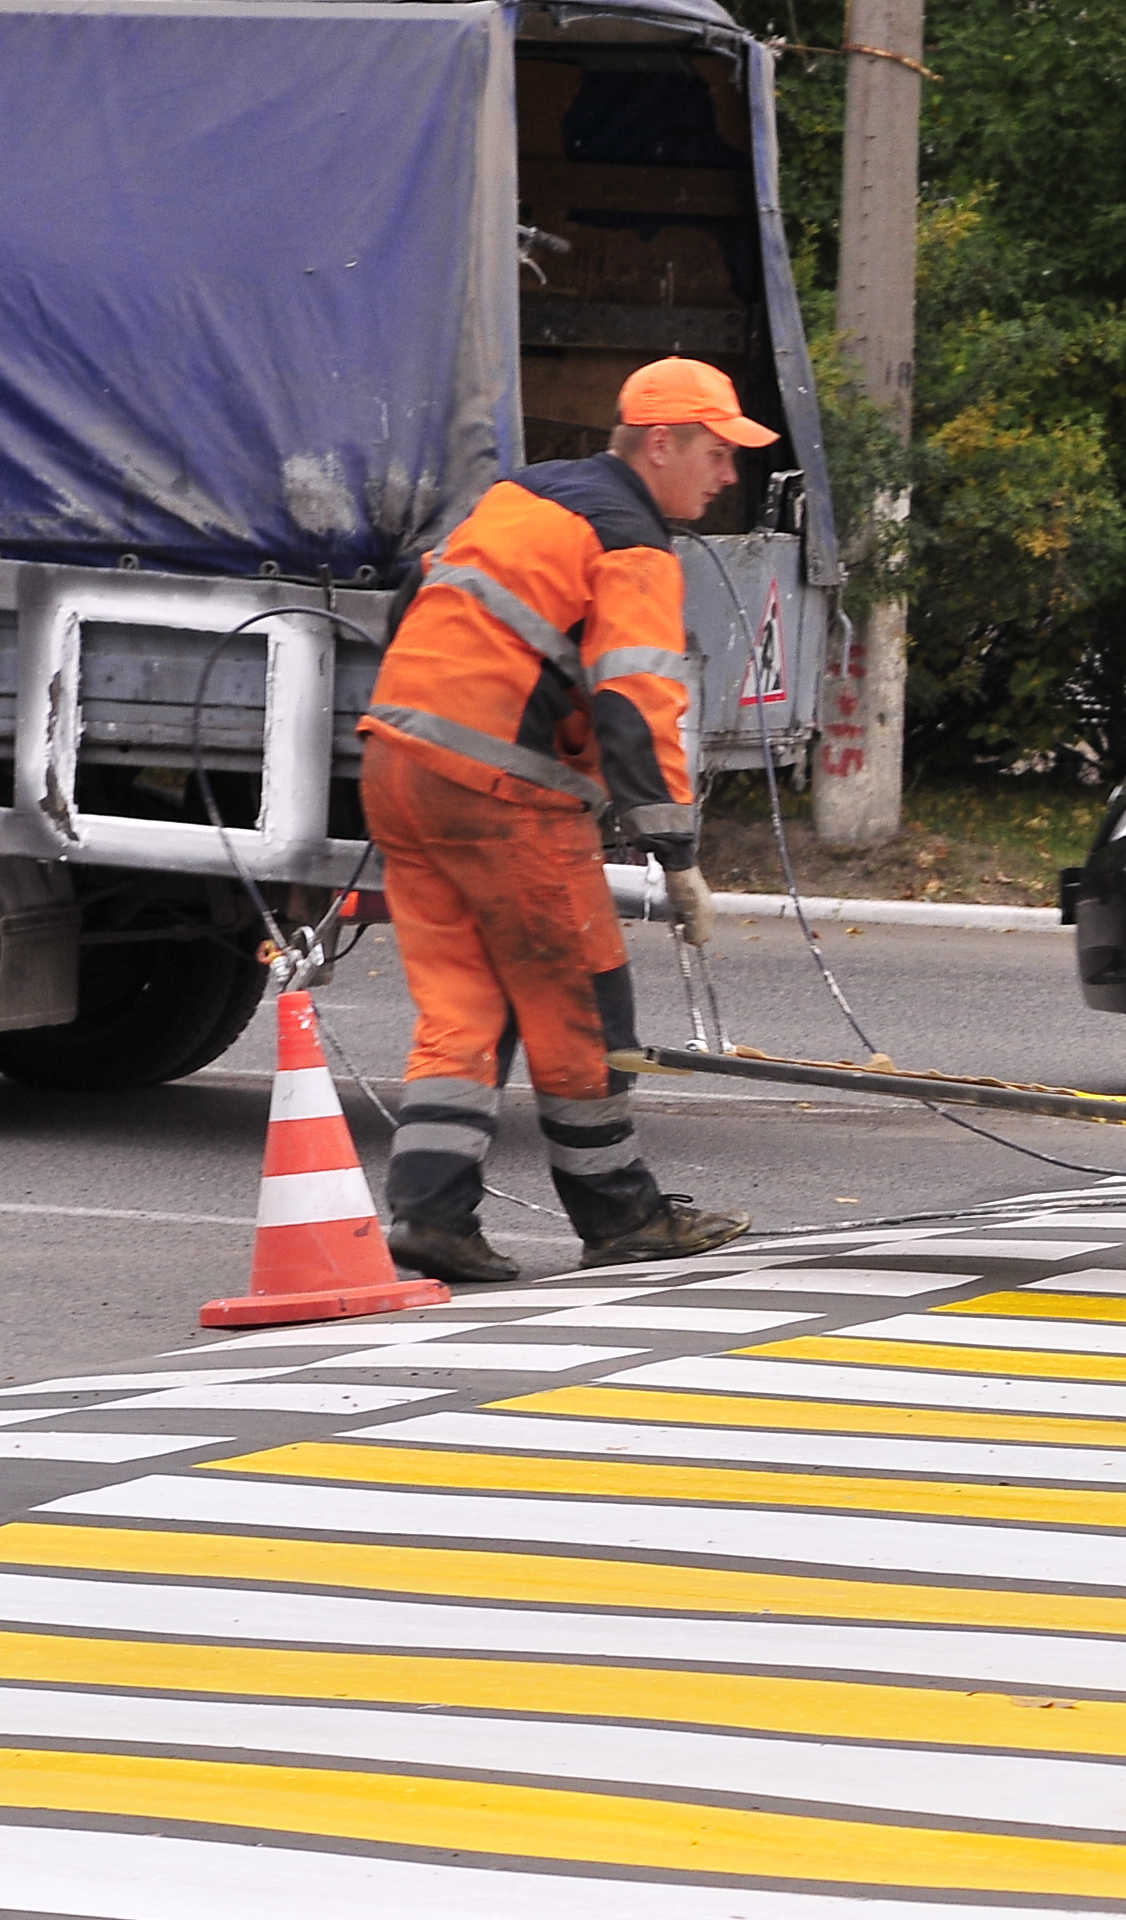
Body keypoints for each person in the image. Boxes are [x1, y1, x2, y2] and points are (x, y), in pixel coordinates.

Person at [359, 357, 762, 1284]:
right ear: (660, 444)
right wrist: (676, 851)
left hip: (399, 768)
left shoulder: (521, 498)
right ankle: (622, 1218)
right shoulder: (630, 539)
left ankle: (430, 1218)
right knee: (581, 1000)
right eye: (715, 450)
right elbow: (637, 698)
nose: (727, 473)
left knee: (465, 1004)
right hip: (502, 791)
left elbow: (410, 605)